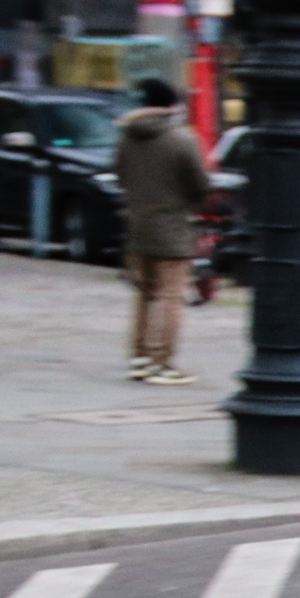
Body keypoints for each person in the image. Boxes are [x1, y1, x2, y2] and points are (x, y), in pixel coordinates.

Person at [115, 76, 209, 385]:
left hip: (138, 227)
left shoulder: (127, 136)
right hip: (173, 228)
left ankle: (139, 357)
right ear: (171, 106)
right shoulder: (182, 139)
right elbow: (199, 185)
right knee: (171, 297)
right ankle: (163, 363)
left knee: (144, 295)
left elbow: (121, 176)